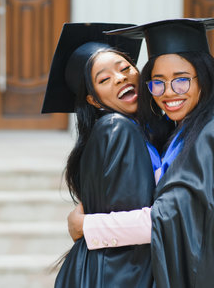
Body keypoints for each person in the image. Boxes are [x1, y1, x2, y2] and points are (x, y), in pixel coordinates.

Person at [67, 18, 214, 287]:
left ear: (204, 77)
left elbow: (169, 217)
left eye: (182, 80)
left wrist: (87, 227)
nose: (169, 92)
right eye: (158, 82)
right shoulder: (179, 131)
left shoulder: (213, 134)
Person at [41, 22, 168, 287]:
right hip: (118, 275)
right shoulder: (116, 128)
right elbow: (133, 226)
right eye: (104, 79)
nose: (120, 78)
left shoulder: (142, 130)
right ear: (94, 100)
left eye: (124, 68)